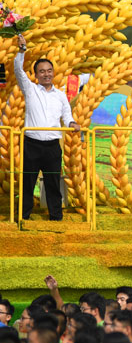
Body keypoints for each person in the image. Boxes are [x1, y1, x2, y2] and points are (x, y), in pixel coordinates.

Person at [14, 34, 81, 221]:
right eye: (42, 71)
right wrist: (21, 50)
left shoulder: (60, 95)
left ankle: (56, 217)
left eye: (49, 71)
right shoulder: (30, 89)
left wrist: (72, 123)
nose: (46, 74)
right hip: (31, 144)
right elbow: (18, 71)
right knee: (27, 183)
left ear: (53, 72)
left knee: (52, 183)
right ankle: (23, 217)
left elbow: (67, 116)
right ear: (36, 74)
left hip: (52, 146)